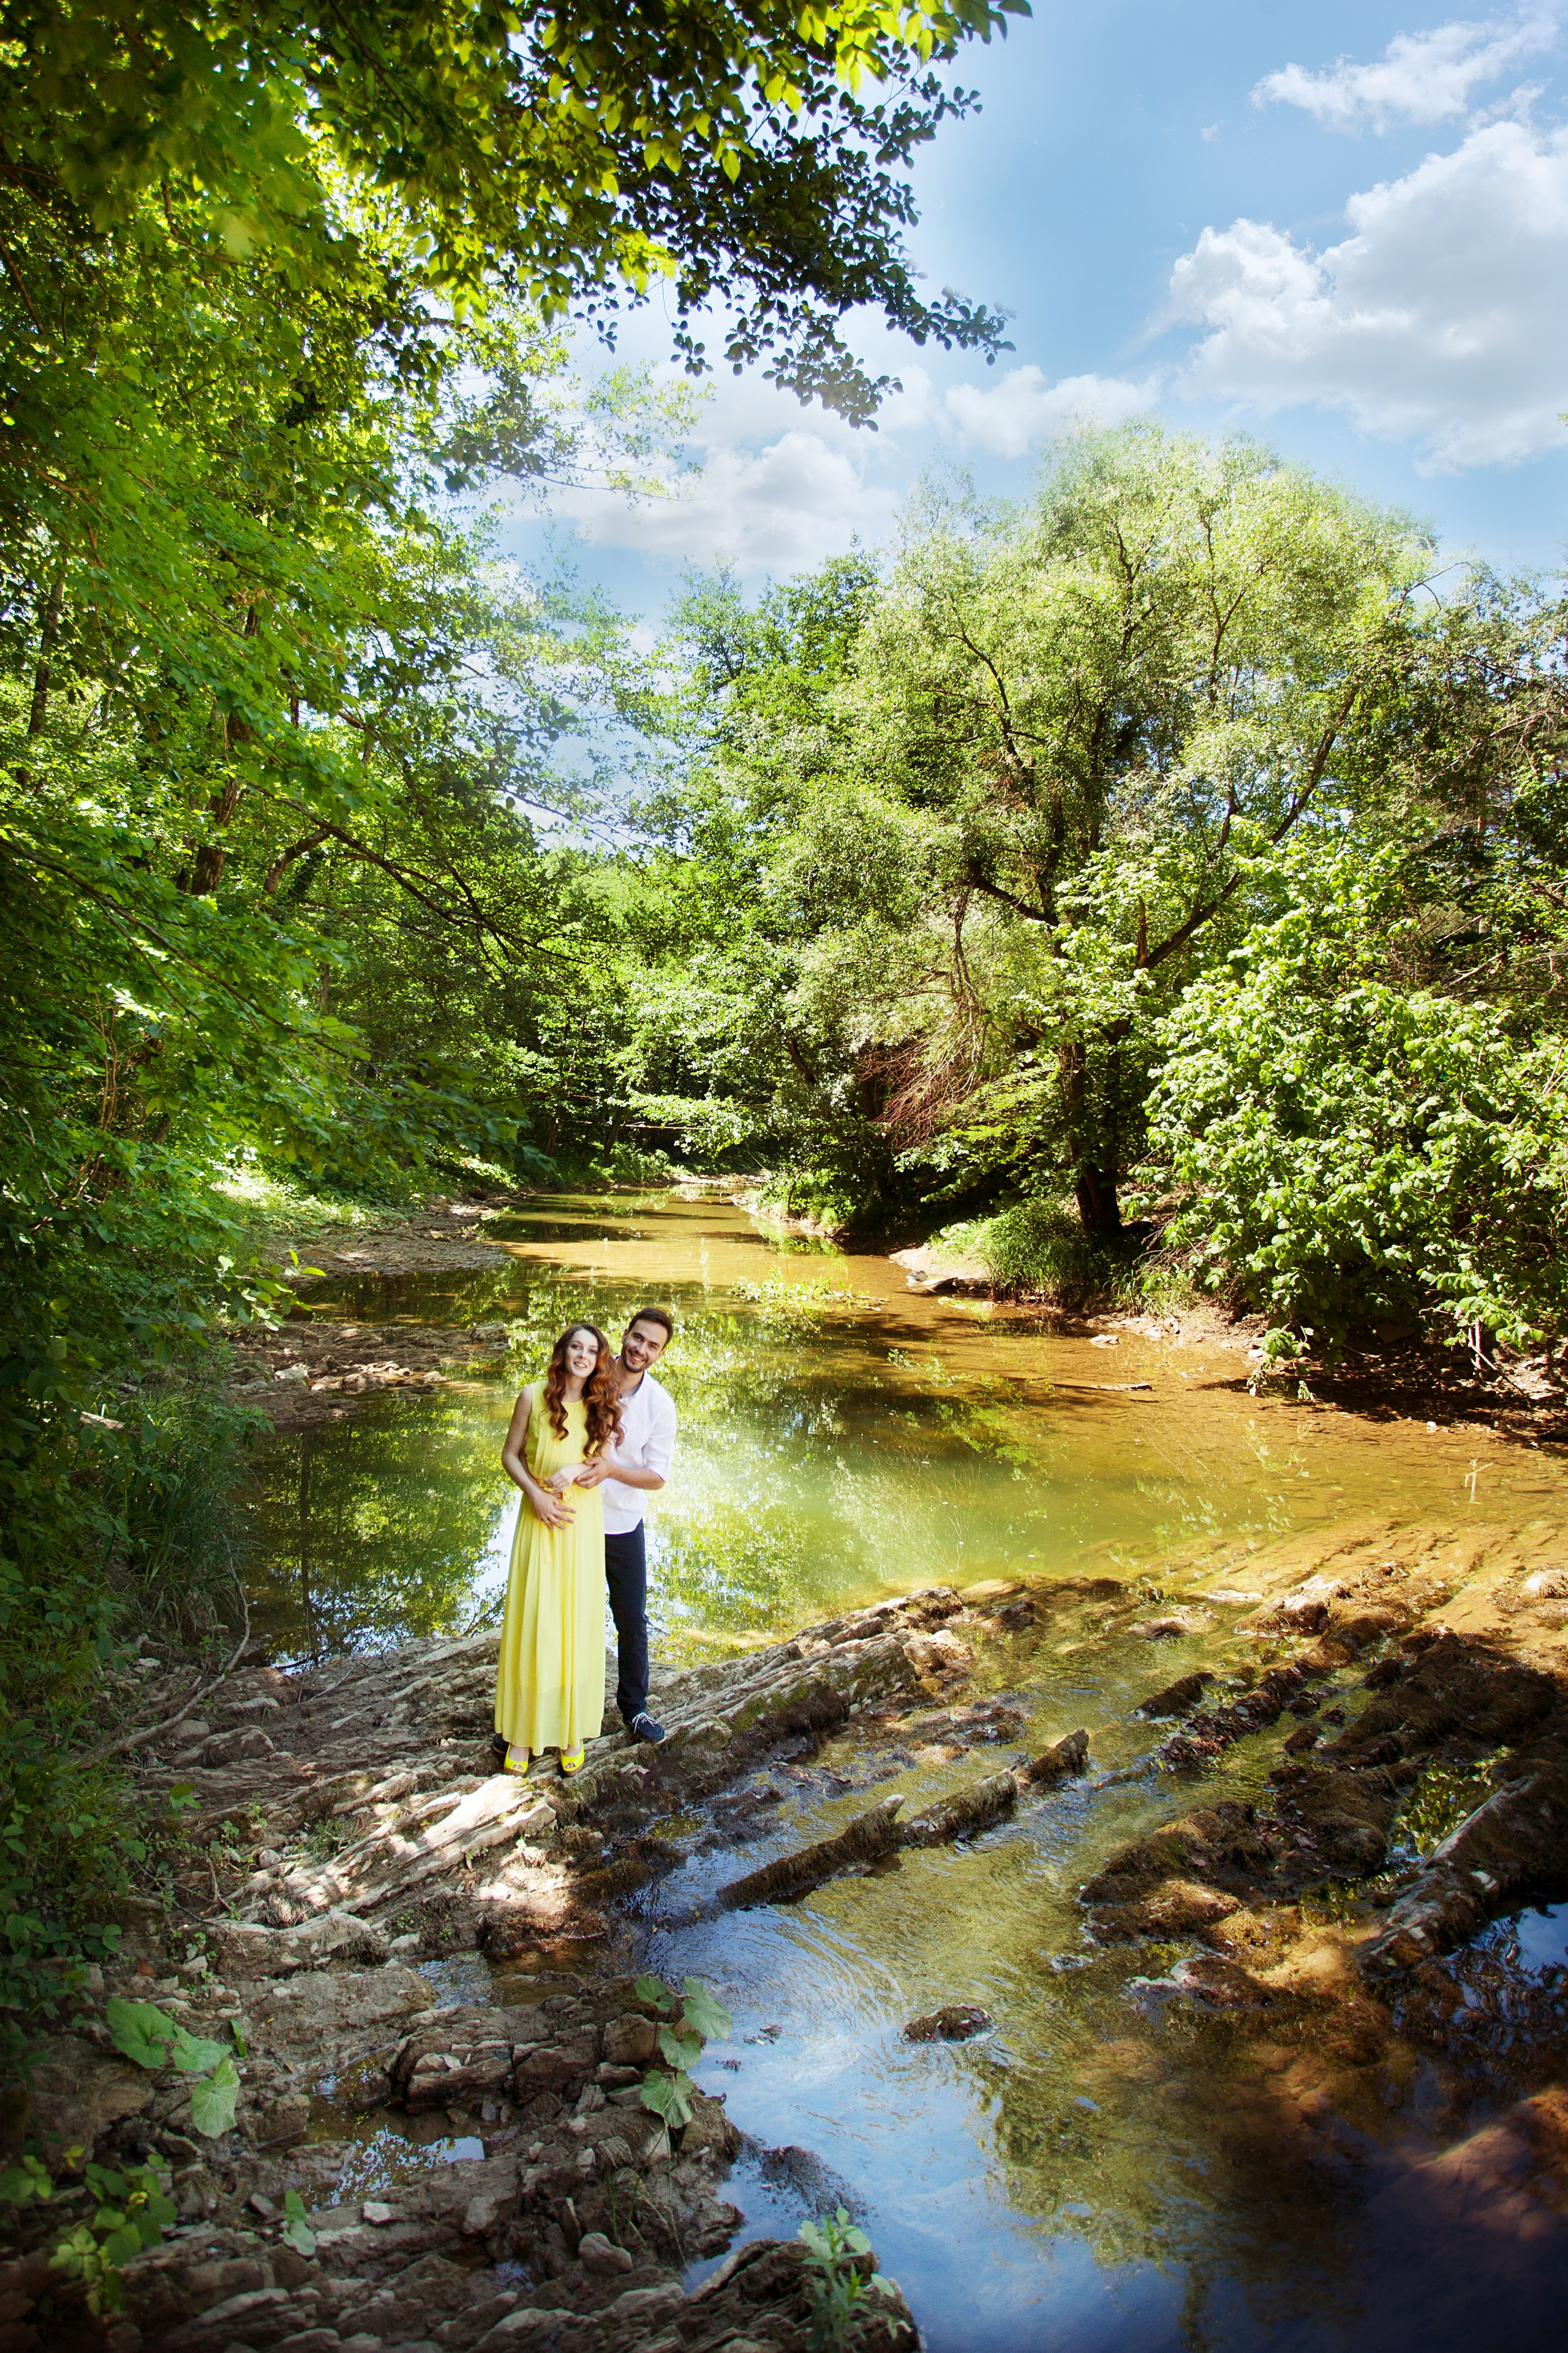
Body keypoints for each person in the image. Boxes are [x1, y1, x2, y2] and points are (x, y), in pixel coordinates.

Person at [494, 1323, 623, 1778]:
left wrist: (576, 1469)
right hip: (538, 1519)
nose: (583, 1355)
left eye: (592, 1350)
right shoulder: (532, 1395)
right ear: (563, 1351)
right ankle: (522, 1734)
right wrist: (536, 1494)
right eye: (576, 1346)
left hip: (581, 1526)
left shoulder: (605, 1406)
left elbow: (600, 1464)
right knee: (535, 1622)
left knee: (574, 1624)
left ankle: (570, 1730)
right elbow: (511, 1455)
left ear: (599, 1359)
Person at [570, 1307, 676, 1743]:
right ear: (625, 1335)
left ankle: (634, 1709)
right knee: (569, 1615)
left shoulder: (660, 1405)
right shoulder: (589, 1377)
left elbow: (657, 1476)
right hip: (574, 1515)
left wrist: (610, 1469)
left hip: (621, 1524)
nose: (641, 1349)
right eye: (638, 1338)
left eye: (653, 1345)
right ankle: (561, 1709)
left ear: (661, 1354)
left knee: (631, 1618)